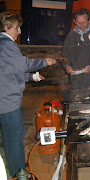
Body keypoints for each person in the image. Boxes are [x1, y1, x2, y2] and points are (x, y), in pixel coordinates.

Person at [0, 11, 56, 178]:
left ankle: (14, 168)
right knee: (16, 137)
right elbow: (24, 64)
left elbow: (10, 71)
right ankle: (20, 172)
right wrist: (46, 61)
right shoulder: (6, 44)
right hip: (7, 101)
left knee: (10, 136)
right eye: (17, 28)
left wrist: (32, 77)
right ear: (6, 28)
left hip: (4, 100)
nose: (19, 32)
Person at [62, 8, 90, 89]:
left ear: (89, 21)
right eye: (79, 23)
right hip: (78, 80)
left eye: (84, 22)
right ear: (74, 21)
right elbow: (65, 57)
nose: (81, 25)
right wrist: (67, 66)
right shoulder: (70, 36)